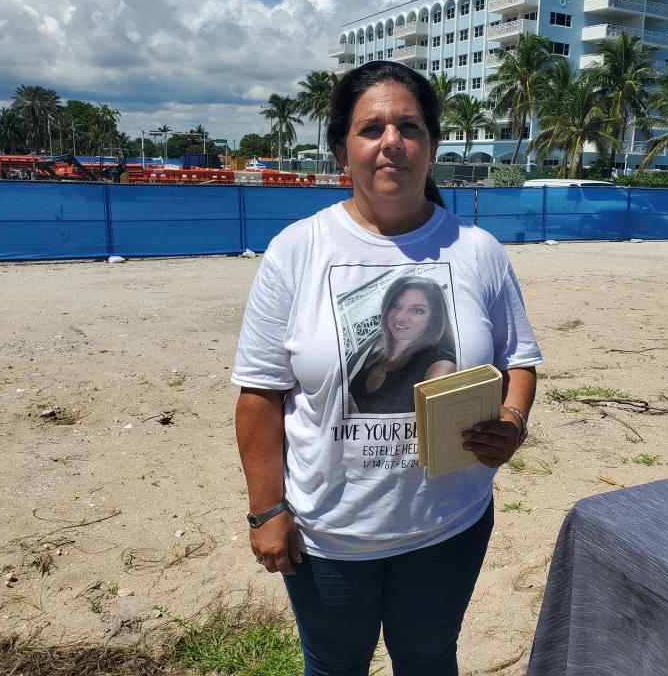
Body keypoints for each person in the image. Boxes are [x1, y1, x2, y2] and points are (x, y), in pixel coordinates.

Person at [232, 60, 541, 676]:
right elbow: (260, 394)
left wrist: (510, 420)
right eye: (371, 128)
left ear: (431, 146)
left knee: (428, 659)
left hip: (449, 522)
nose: (391, 142)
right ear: (343, 149)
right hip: (329, 533)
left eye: (409, 126)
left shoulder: (477, 251)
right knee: (334, 664)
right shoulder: (298, 249)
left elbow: (520, 359)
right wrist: (267, 511)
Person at [349, 274, 456, 414]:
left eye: (417, 310)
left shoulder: (441, 365)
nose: (399, 317)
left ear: (433, 319)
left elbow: (437, 425)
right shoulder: (376, 348)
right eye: (395, 306)